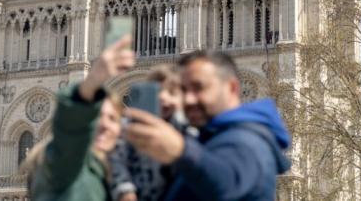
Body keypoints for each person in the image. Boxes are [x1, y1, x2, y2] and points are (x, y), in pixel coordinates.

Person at [124, 51, 291, 201]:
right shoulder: (211, 137)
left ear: (232, 88)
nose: (188, 99)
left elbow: (227, 182)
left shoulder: (248, 140)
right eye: (183, 90)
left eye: (199, 88)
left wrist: (180, 150)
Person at [27, 35, 135, 201]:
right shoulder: (67, 166)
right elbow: (69, 128)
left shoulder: (108, 176)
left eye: (112, 119)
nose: (105, 124)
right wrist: (92, 82)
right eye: (97, 116)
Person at [109, 65, 187, 201]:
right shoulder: (130, 127)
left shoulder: (186, 130)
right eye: (157, 92)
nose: (163, 97)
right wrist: (125, 190)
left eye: (172, 93)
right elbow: (116, 161)